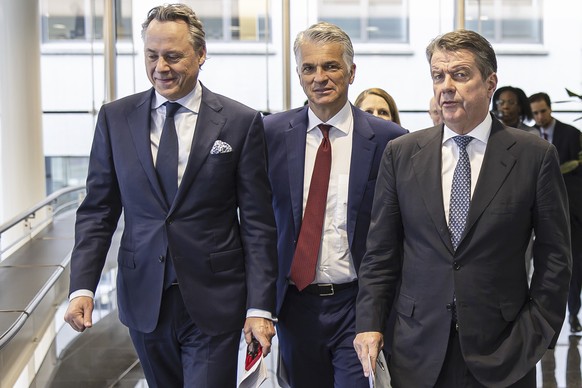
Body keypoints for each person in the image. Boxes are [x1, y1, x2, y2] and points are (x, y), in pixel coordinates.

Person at [63, 4, 278, 387]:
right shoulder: (115, 118)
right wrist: (83, 286)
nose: (161, 67)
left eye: (173, 56)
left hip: (216, 300)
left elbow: (259, 223)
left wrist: (259, 305)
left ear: (201, 54)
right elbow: (98, 210)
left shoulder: (241, 122)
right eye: (152, 55)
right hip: (144, 297)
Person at [354, 29, 572, 387]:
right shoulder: (403, 153)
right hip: (416, 349)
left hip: (504, 349)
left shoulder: (534, 156)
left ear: (490, 83)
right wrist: (370, 323)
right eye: (438, 76)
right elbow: (380, 253)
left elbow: (556, 259)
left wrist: (536, 333)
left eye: (460, 74)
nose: (446, 86)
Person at [263, 22, 407, 388]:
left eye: (331, 66)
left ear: (351, 71)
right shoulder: (270, 134)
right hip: (294, 305)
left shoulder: (390, 141)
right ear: (298, 74)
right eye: (308, 68)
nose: (319, 77)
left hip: (356, 303)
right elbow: (257, 223)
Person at [530, 91, 582, 334]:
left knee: (572, 263)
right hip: (534, 212)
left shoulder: (571, 134)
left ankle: (572, 313)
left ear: (550, 109)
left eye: (543, 111)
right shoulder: (527, 138)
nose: (540, 117)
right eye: (535, 113)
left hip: (571, 210)